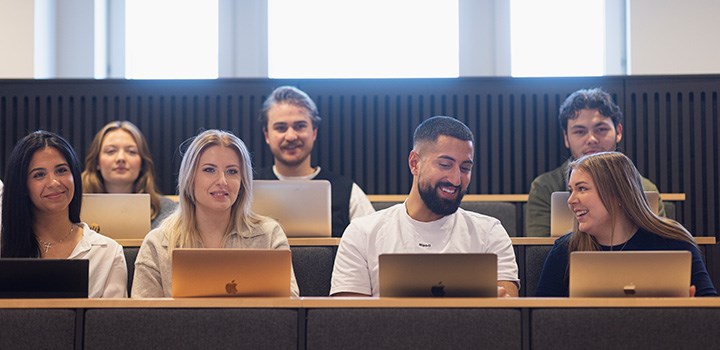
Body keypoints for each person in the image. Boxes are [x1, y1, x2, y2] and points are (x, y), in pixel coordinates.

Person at [330, 116, 519, 297]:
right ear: (414, 163)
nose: (455, 179)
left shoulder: (489, 233)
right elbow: (350, 320)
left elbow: (508, 318)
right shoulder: (362, 232)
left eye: (465, 168)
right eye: (445, 165)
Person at [132, 129, 299, 298]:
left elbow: (290, 308)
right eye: (209, 170)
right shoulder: (158, 243)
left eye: (232, 171)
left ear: (243, 182)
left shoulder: (269, 235)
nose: (222, 181)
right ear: (190, 178)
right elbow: (144, 319)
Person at [535, 152, 716, 297]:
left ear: (617, 194)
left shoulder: (674, 241)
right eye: (571, 190)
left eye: (582, 188)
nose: (571, 200)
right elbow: (542, 321)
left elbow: (708, 315)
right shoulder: (565, 249)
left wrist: (691, 309)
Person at [0, 131, 127, 298]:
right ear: (22, 186)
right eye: (39, 175)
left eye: (61, 170)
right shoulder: (4, 246)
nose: (54, 182)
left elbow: (111, 323)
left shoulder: (107, 253)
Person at [526, 88, 664, 237]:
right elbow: (539, 250)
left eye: (601, 129)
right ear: (566, 138)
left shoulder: (644, 188)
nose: (591, 139)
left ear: (618, 132)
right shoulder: (545, 187)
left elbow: (659, 247)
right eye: (580, 131)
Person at [256, 86, 375, 237]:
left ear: (314, 132)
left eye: (300, 126)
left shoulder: (348, 191)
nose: (291, 136)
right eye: (281, 128)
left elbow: (373, 245)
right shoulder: (247, 189)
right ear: (267, 135)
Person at [82, 120, 177, 229]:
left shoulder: (167, 212)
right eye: (111, 151)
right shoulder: (75, 209)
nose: (121, 158)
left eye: (131, 152)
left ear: (142, 163)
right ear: (96, 162)